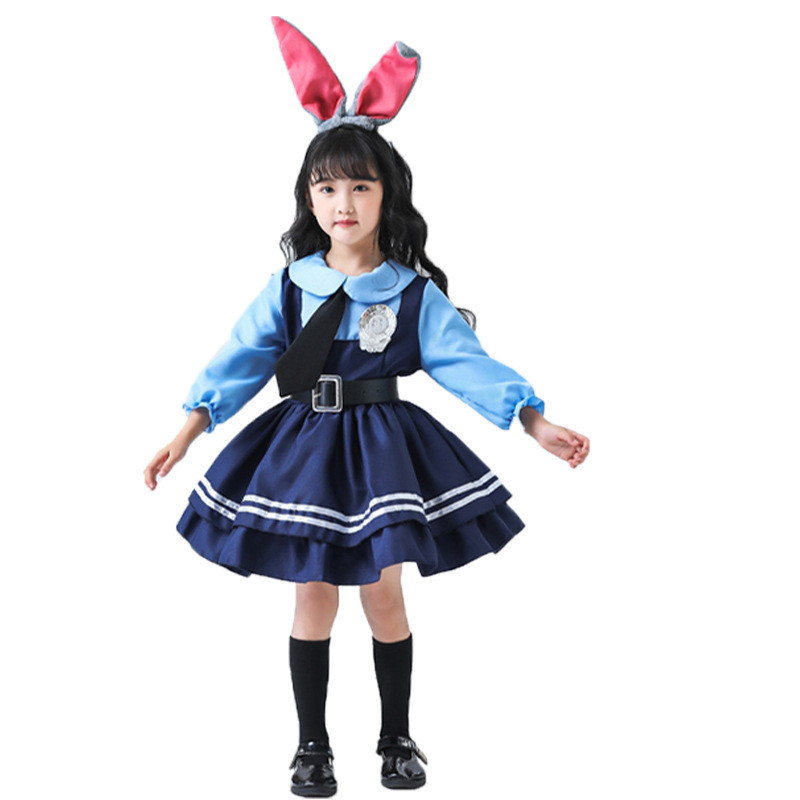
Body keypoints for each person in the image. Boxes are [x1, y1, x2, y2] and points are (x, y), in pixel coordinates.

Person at [144, 18, 589, 798]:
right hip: (305, 449)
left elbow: (465, 363)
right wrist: (187, 430)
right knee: (313, 591)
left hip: (384, 450)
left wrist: (533, 420)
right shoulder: (291, 285)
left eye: (359, 186)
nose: (342, 203)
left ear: (388, 193)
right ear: (307, 197)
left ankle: (396, 737)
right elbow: (240, 356)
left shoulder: (411, 293)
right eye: (327, 187)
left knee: (384, 590)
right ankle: (311, 745)